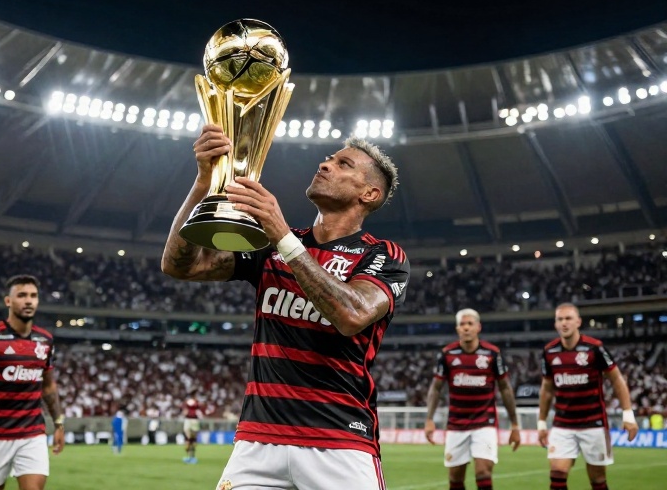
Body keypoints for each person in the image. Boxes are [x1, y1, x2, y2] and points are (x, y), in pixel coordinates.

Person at [161, 125, 411, 489]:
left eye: (343, 164)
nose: (325, 165)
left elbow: (352, 314)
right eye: (328, 159)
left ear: (369, 193)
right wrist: (205, 183)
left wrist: (282, 235)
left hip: (339, 441)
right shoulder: (270, 248)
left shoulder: (383, 255)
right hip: (257, 441)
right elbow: (181, 266)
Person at [0, 274, 65, 490]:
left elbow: (48, 386)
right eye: (22, 295)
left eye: (33, 296)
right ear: (8, 301)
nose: (29, 301)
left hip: (32, 433)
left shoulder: (45, 340)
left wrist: (59, 423)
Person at [538, 303, 639, 490]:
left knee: (598, 480)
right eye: (560, 319)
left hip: (593, 423)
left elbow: (616, 378)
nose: (564, 323)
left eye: (568, 318)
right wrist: (542, 422)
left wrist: (628, 415)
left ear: (578, 322)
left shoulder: (594, 348)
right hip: (562, 424)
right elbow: (547, 388)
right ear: (555, 324)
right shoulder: (549, 351)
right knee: (557, 474)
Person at [424, 308, 521, 490]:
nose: (466, 327)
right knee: (455, 478)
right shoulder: (447, 354)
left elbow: (505, 388)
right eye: (462, 324)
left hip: (485, 423)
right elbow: (436, 388)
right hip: (456, 424)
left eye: (470, 324)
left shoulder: (492, 353)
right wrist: (429, 419)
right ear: (457, 329)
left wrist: (515, 424)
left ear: (478, 327)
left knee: (483, 473)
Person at [181, 390, 202, 464]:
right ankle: (191, 456)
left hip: (190, 420)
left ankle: (190, 456)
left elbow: (185, 411)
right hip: (193, 420)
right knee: (192, 439)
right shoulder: (195, 402)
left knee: (190, 439)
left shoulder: (189, 402)